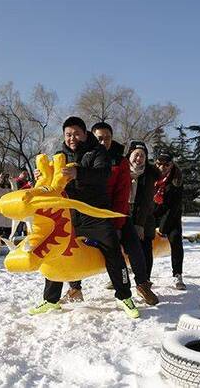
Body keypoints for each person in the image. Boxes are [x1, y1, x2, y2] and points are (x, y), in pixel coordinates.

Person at [30, 116, 138, 318]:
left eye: (76, 133)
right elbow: (51, 184)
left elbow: (103, 174)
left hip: (94, 213)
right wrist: (39, 177)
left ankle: (124, 296)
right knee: (55, 251)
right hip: (70, 214)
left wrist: (78, 173)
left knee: (112, 250)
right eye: (68, 134)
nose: (72, 138)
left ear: (85, 133)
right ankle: (50, 299)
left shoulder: (97, 152)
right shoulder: (59, 155)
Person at [65, 123, 158, 306]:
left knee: (133, 245)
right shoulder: (83, 154)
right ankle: (75, 288)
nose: (103, 141)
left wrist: (117, 223)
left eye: (107, 138)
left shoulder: (119, 160)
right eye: (99, 138)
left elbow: (122, 193)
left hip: (115, 212)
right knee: (72, 246)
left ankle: (142, 283)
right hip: (88, 214)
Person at [126, 141, 161, 286]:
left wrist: (139, 224)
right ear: (130, 155)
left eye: (142, 156)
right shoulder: (121, 170)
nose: (139, 158)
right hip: (124, 210)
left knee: (145, 246)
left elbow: (147, 201)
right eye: (136, 155)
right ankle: (121, 276)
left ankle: (145, 281)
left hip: (144, 215)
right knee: (123, 247)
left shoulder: (150, 174)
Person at [153, 153, 186, 290]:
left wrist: (162, 228)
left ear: (172, 165)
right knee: (137, 238)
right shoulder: (150, 174)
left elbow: (174, 207)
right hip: (152, 212)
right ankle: (133, 268)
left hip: (171, 214)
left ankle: (177, 274)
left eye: (166, 164)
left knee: (175, 238)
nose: (162, 167)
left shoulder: (176, 179)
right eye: (159, 164)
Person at [13, 169, 32, 236]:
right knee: (19, 223)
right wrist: (27, 186)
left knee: (27, 224)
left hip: (27, 205)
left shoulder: (27, 181)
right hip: (19, 204)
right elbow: (16, 191)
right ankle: (17, 236)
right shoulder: (16, 181)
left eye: (27, 174)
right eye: (24, 173)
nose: (26, 175)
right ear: (20, 174)